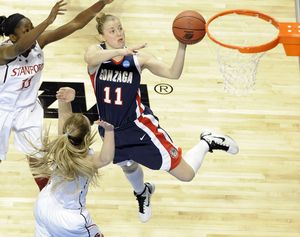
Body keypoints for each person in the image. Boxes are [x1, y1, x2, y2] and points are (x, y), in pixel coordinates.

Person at [84, 13, 239, 223]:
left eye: (120, 28)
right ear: (102, 36)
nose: (119, 33)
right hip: (110, 129)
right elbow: (89, 59)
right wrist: (121, 51)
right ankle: (142, 193)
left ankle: (207, 141)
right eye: (112, 31)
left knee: (186, 175)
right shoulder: (96, 54)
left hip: (139, 128)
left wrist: (182, 45)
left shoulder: (139, 58)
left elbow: (173, 74)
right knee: (127, 165)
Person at [0, 0, 114, 191]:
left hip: (27, 109)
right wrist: (47, 21)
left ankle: (46, 196)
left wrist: (101, 3)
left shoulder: (38, 43)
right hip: (2, 109)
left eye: (32, 27)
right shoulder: (4, 51)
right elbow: (19, 49)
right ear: (12, 36)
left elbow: (75, 24)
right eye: (26, 30)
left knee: (37, 158)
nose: (32, 33)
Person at [31, 87, 114, 237]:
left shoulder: (61, 144)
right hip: (70, 219)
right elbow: (106, 158)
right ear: (87, 137)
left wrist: (64, 101)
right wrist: (109, 131)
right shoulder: (87, 160)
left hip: (43, 206)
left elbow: (64, 117)